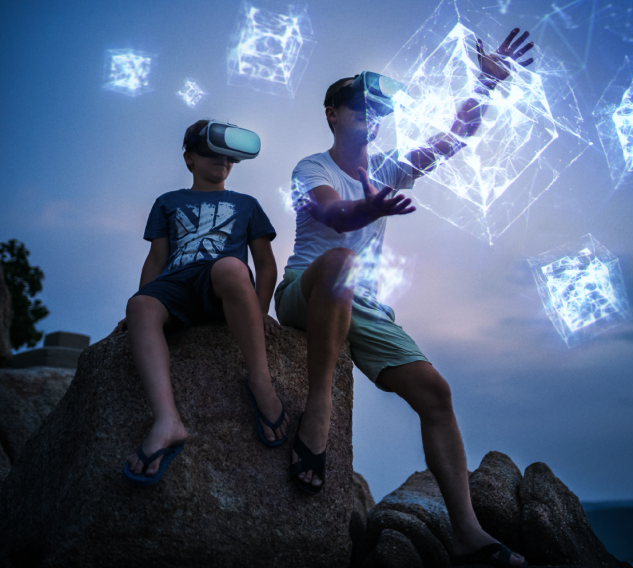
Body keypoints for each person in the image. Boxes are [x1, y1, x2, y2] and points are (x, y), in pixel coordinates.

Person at [275, 29, 534, 567]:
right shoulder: (311, 168)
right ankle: (318, 410)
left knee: (435, 392)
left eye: (378, 111)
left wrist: (486, 84)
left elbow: (453, 138)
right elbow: (331, 214)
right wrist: (371, 209)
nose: (371, 117)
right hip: (306, 291)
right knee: (341, 261)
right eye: (360, 108)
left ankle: (466, 533)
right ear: (333, 114)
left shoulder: (387, 168)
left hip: (361, 306)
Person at [113, 119, 289, 485]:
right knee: (140, 306)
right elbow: (157, 260)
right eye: (211, 153)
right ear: (189, 158)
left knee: (231, 265)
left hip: (222, 283)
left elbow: (266, 264)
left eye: (228, 157)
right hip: (176, 286)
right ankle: (167, 420)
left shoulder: (247, 204)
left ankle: (261, 382)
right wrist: (141, 298)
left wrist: (259, 310)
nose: (222, 162)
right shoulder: (168, 202)